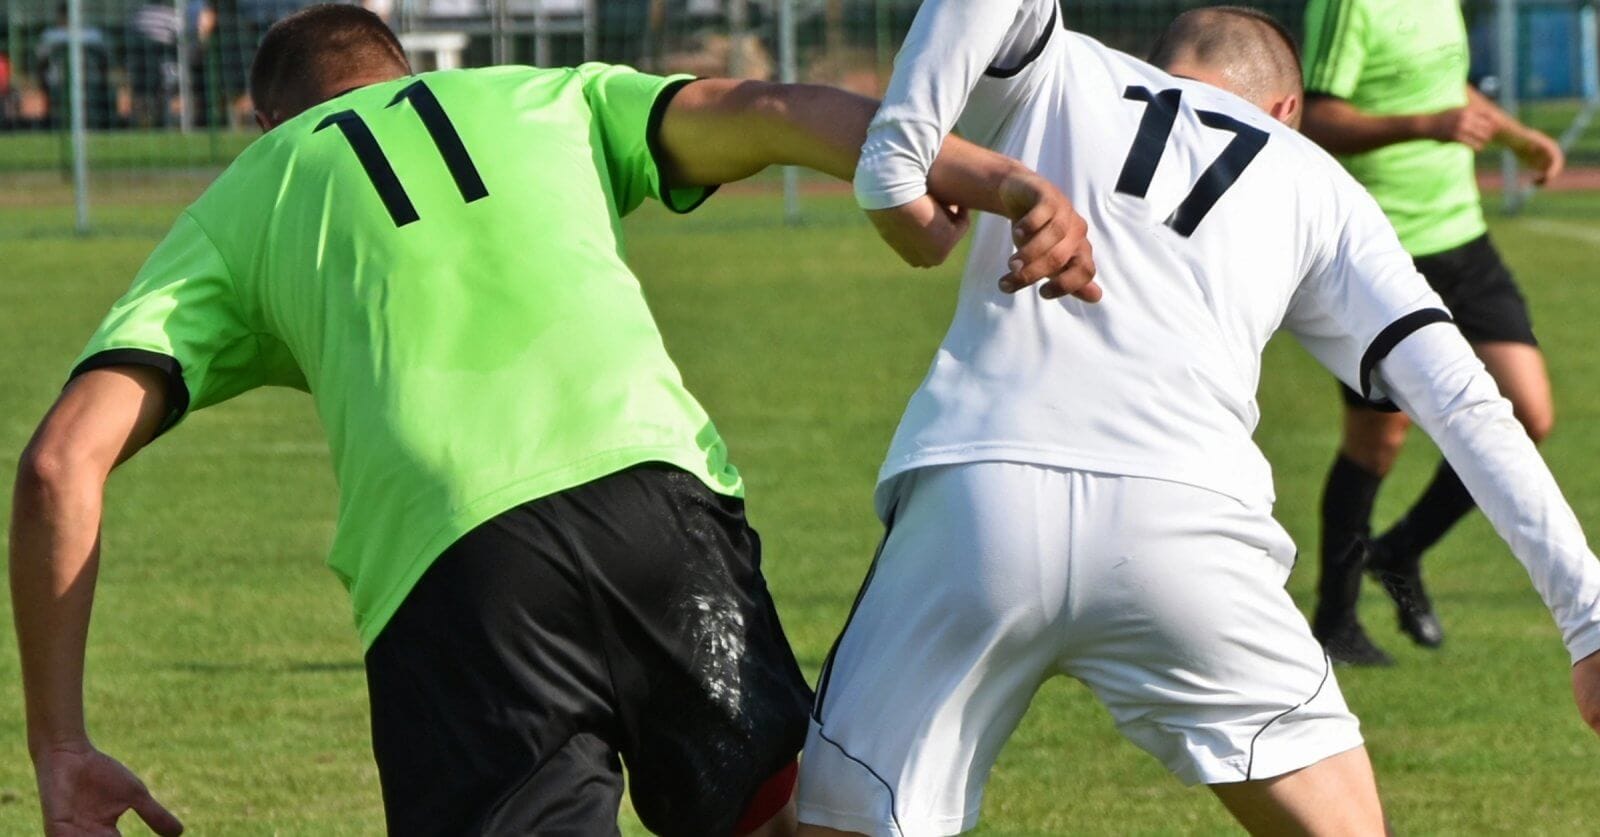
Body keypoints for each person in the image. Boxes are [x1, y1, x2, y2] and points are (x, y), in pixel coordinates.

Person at [8, 5, 1097, 836]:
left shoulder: (246, 195)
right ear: (406, 71)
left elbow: (62, 464)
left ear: (265, 122)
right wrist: (989, 177)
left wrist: (59, 743)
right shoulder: (542, 95)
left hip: (455, 576)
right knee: (777, 817)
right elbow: (770, 109)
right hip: (659, 511)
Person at [794, 5, 1600, 835]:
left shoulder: (1063, 70)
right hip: (1188, 526)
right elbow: (1465, 401)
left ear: (1155, 62)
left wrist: (896, 162)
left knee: (843, 820)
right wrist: (1589, 617)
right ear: (1288, 110)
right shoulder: (1318, 179)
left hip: (980, 497)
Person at [1302, 0, 1568, 666]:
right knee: (1378, 437)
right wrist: (1428, 125)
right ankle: (1334, 620)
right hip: (1379, 249)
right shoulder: (1345, 5)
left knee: (1528, 411)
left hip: (1463, 239)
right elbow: (1316, 116)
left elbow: (1448, 90)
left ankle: (1399, 549)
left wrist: (1511, 135)